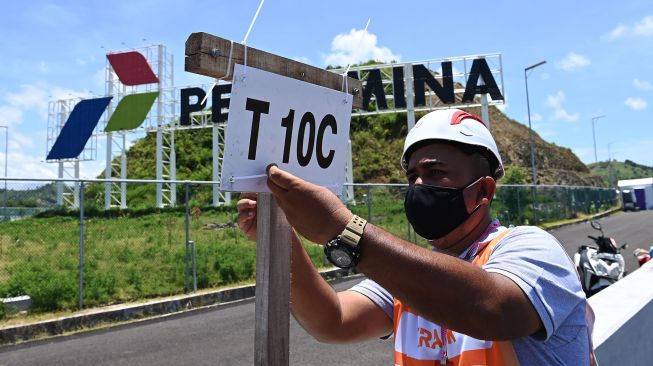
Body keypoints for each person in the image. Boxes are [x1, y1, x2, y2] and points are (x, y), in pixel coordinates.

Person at [237, 108, 594, 365]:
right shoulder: (409, 277)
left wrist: (343, 229)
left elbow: (493, 309)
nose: (419, 185)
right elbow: (333, 320)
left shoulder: (532, 248)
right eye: (412, 177)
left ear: (483, 191)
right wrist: (282, 234)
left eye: (436, 172)